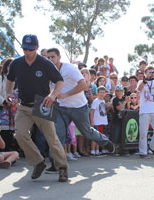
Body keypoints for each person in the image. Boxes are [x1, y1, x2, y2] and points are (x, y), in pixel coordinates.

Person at [6, 34, 69, 182]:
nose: (27, 52)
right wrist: (8, 93)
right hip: (24, 105)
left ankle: (62, 169)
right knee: (20, 135)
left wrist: (53, 96)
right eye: (25, 49)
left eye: (31, 49)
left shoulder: (45, 63)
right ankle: (38, 163)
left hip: (42, 105)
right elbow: (9, 79)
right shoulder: (16, 63)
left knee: (51, 139)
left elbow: (60, 81)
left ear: (37, 47)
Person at [47, 48, 114, 159]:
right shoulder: (48, 71)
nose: (50, 59)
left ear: (59, 57)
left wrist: (66, 95)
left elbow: (84, 86)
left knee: (86, 132)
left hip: (78, 107)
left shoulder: (69, 68)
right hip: (61, 108)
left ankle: (104, 142)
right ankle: (56, 162)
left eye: (52, 57)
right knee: (58, 134)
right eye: (48, 57)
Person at [137, 66, 154, 158]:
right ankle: (143, 152)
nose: (152, 74)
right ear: (145, 73)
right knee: (143, 132)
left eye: (153, 72)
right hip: (144, 111)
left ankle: (153, 147)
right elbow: (139, 89)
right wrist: (146, 80)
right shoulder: (141, 81)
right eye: (150, 72)